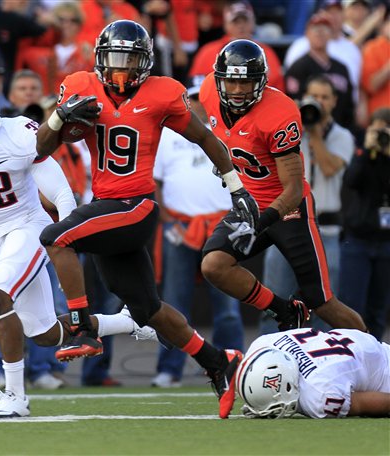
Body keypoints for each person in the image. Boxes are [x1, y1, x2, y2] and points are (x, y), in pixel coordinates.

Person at [36, 20, 259, 417]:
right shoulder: (79, 86)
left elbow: (206, 138)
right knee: (147, 309)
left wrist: (237, 187)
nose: (121, 69)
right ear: (101, 59)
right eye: (116, 59)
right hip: (106, 206)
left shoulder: (162, 93)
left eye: (130, 60)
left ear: (146, 62)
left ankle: (80, 326)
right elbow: (40, 150)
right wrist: (58, 117)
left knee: (56, 236)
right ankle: (218, 362)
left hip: (135, 205)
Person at [0, 73, 155, 417]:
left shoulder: (18, 134)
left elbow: (63, 193)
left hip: (31, 227)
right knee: (45, 334)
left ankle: (15, 396)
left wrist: (66, 241)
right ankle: (130, 322)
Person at [198, 39, 366, 336]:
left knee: (322, 301)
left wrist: (261, 223)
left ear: (261, 82)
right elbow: (212, 135)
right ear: (220, 79)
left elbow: (292, 189)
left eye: (246, 83)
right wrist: (226, 164)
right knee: (214, 265)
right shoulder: (209, 90)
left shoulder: (279, 113)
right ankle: (286, 311)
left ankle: (379, 360)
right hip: (249, 204)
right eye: (232, 82)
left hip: (289, 210)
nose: (237, 91)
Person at [151, 78, 244, 388]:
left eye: (201, 98)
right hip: (180, 225)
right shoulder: (167, 135)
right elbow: (156, 183)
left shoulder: (227, 132)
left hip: (223, 226)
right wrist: (167, 222)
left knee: (228, 305)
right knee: (174, 303)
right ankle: (170, 369)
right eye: (190, 99)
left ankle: (235, 366)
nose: (196, 105)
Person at [234, 328, 390, 418]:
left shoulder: (318, 395)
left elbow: (362, 403)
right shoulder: (263, 344)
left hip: (383, 374)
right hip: (367, 347)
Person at [339, 107, 390, 340]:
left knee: (378, 310)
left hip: (386, 243)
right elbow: (350, 180)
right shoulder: (364, 155)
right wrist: (365, 151)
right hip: (358, 240)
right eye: (377, 130)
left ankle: (376, 359)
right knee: (351, 307)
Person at [189, 0, 284, 92]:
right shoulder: (208, 51)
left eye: (245, 20)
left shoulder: (266, 52)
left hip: (261, 104)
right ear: (225, 24)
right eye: (235, 21)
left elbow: (278, 89)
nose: (241, 26)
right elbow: (196, 92)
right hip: (217, 105)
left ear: (253, 22)